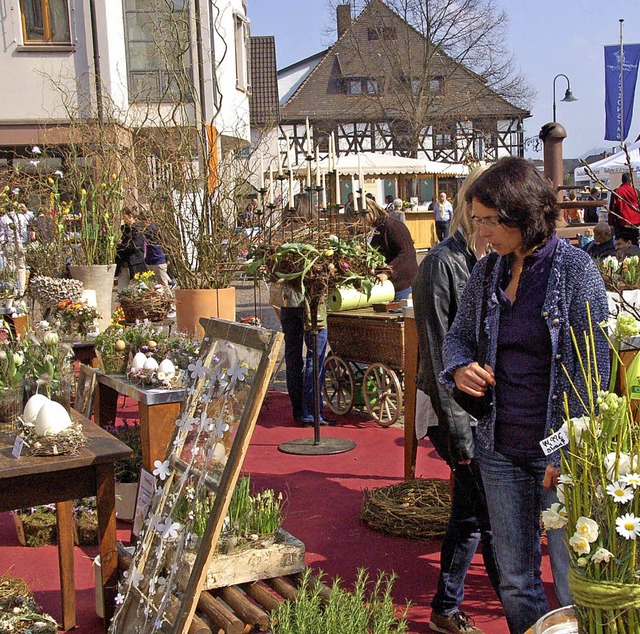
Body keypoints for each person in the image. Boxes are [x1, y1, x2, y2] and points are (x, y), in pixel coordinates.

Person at [442, 157, 610, 634]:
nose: (481, 233)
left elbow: (594, 367)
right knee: (516, 580)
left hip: (559, 455)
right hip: (499, 450)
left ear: (521, 214)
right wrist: (459, 368)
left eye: (490, 222)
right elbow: (457, 338)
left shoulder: (575, 271)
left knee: (572, 581)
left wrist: (568, 450)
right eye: (476, 221)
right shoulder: (487, 271)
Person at [413, 166, 500, 634]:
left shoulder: (495, 262)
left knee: (470, 514)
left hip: (486, 411)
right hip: (453, 414)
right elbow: (437, 350)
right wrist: (461, 438)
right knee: (488, 517)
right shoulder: (441, 265)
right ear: (471, 208)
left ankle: (445, 608)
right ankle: (520, 610)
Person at [363, 198, 418, 301]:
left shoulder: (392, 226)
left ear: (368, 213)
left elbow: (405, 253)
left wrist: (386, 272)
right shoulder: (370, 230)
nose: (357, 223)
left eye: (358, 218)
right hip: (384, 288)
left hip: (402, 286)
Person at [1, 202, 33, 295]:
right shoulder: (22, 217)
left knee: (11, 267)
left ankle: (13, 289)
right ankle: (21, 290)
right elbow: (32, 217)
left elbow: (2, 234)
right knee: (21, 267)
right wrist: (25, 209)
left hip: (9, 243)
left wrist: (3, 243)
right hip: (20, 243)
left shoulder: (4, 218)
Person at [115, 207, 147, 291]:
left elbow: (134, 246)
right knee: (122, 289)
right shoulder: (126, 229)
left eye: (124, 218)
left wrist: (119, 246)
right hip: (124, 264)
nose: (124, 220)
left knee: (139, 288)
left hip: (135, 263)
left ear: (130, 216)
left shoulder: (138, 229)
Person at [141, 212, 171, 288]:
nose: (143, 223)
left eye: (144, 220)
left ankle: (169, 297)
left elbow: (163, 243)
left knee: (163, 284)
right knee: (153, 285)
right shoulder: (148, 229)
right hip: (150, 260)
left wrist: (167, 258)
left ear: (149, 220)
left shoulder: (153, 229)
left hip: (157, 259)